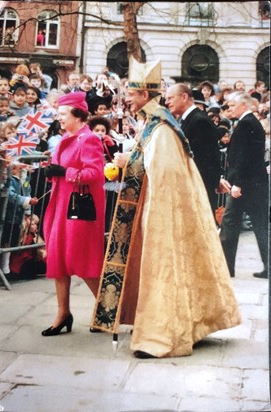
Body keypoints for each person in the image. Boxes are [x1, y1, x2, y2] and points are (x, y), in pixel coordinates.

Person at [91, 56, 241, 359]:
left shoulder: (162, 128)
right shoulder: (154, 123)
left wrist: (126, 162)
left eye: (133, 94)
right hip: (152, 206)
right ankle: (152, 322)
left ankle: (161, 333)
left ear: (145, 95)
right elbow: (147, 158)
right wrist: (129, 158)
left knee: (162, 267)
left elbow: (162, 170)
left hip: (164, 211)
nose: (129, 100)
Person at [41, 91, 105, 336]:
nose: (60, 118)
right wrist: (53, 171)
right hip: (62, 206)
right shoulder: (65, 138)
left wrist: (64, 171)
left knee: (82, 260)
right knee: (59, 259)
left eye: (63, 114)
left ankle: (107, 308)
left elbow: (94, 174)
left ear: (78, 115)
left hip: (79, 209)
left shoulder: (88, 139)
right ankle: (63, 313)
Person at [219, 92, 269, 279]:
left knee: (230, 223)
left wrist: (237, 184)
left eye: (232, 105)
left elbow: (245, 157)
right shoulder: (250, 123)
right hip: (253, 183)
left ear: (244, 106)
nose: (229, 108)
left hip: (245, 184)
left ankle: (226, 266)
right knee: (259, 225)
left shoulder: (247, 123)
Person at [165, 83, 222, 216]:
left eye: (170, 98)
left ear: (184, 97)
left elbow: (205, 160)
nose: (167, 102)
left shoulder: (198, 120)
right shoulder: (188, 119)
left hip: (199, 188)